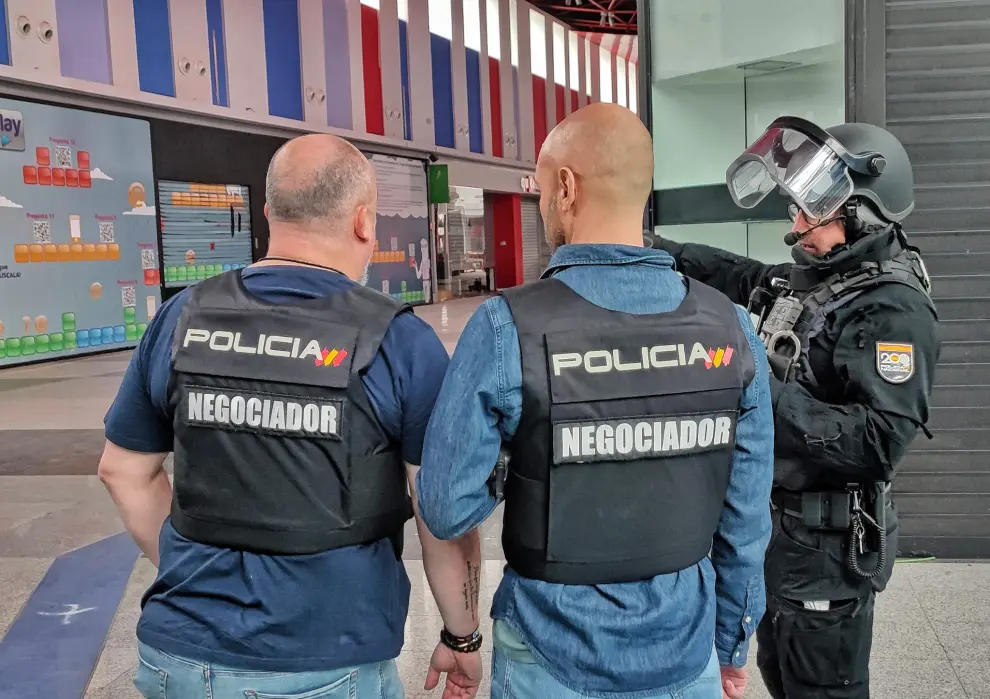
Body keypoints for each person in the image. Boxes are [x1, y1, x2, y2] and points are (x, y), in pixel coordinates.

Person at [98, 134, 484, 699]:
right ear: (361, 222)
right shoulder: (398, 340)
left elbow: (122, 471)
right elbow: (441, 517)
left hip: (175, 659)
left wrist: (192, 569)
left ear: (268, 211)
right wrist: (463, 636)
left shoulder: (183, 315)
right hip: (327, 660)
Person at [415, 102, 776, 699]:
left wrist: (530, 454)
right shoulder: (732, 329)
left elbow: (447, 507)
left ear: (565, 186)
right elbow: (745, 521)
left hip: (547, 656)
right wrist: (732, 646)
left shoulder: (508, 326)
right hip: (685, 656)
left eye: (539, 186)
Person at [652, 117, 940, 698]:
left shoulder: (892, 311)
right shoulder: (825, 280)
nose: (796, 228)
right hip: (782, 541)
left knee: (820, 688)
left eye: (814, 215)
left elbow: (877, 443)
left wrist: (752, 384)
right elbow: (747, 276)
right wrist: (661, 253)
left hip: (827, 555)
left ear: (863, 216)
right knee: (781, 676)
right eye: (797, 210)